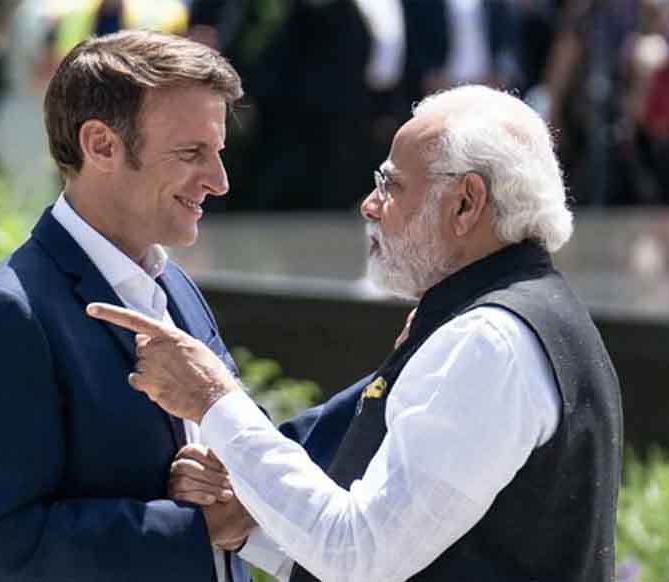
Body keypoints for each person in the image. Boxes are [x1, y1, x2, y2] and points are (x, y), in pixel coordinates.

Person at [89, 85, 625, 582]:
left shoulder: (489, 341)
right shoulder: (514, 318)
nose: (369, 205)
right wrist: (248, 523)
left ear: (466, 203)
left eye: (390, 185)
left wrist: (212, 399)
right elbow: (402, 549)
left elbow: (358, 555)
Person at [0, 31, 253, 581]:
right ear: (101, 145)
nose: (219, 181)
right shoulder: (6, 314)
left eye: (217, 152)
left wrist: (236, 478)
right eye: (191, 153)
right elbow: (5, 549)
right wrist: (196, 528)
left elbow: (239, 439)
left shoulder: (175, 287)